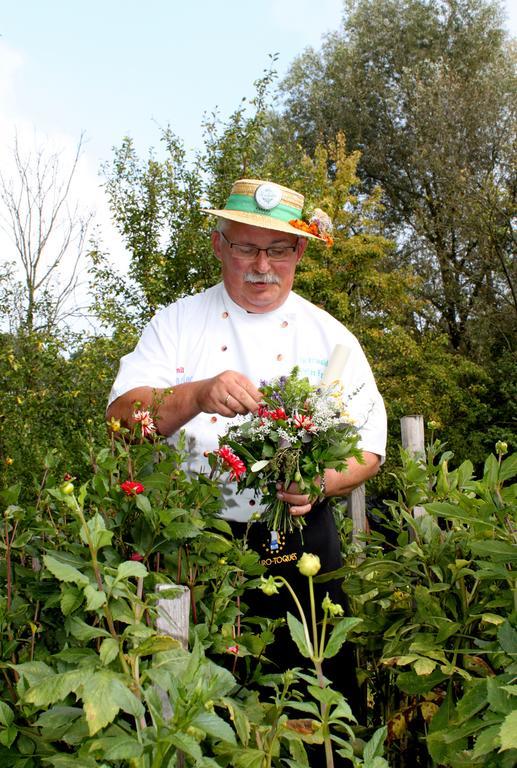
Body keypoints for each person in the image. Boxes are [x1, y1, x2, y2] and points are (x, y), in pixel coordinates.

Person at [107, 179, 387, 757]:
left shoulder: (330, 336)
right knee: (182, 705)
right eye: (245, 249)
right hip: (190, 541)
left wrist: (323, 481)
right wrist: (197, 394)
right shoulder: (177, 324)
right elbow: (120, 419)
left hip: (303, 544)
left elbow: (370, 447)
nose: (262, 266)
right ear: (218, 245)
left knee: (315, 706)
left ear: (300, 253)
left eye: (278, 250)